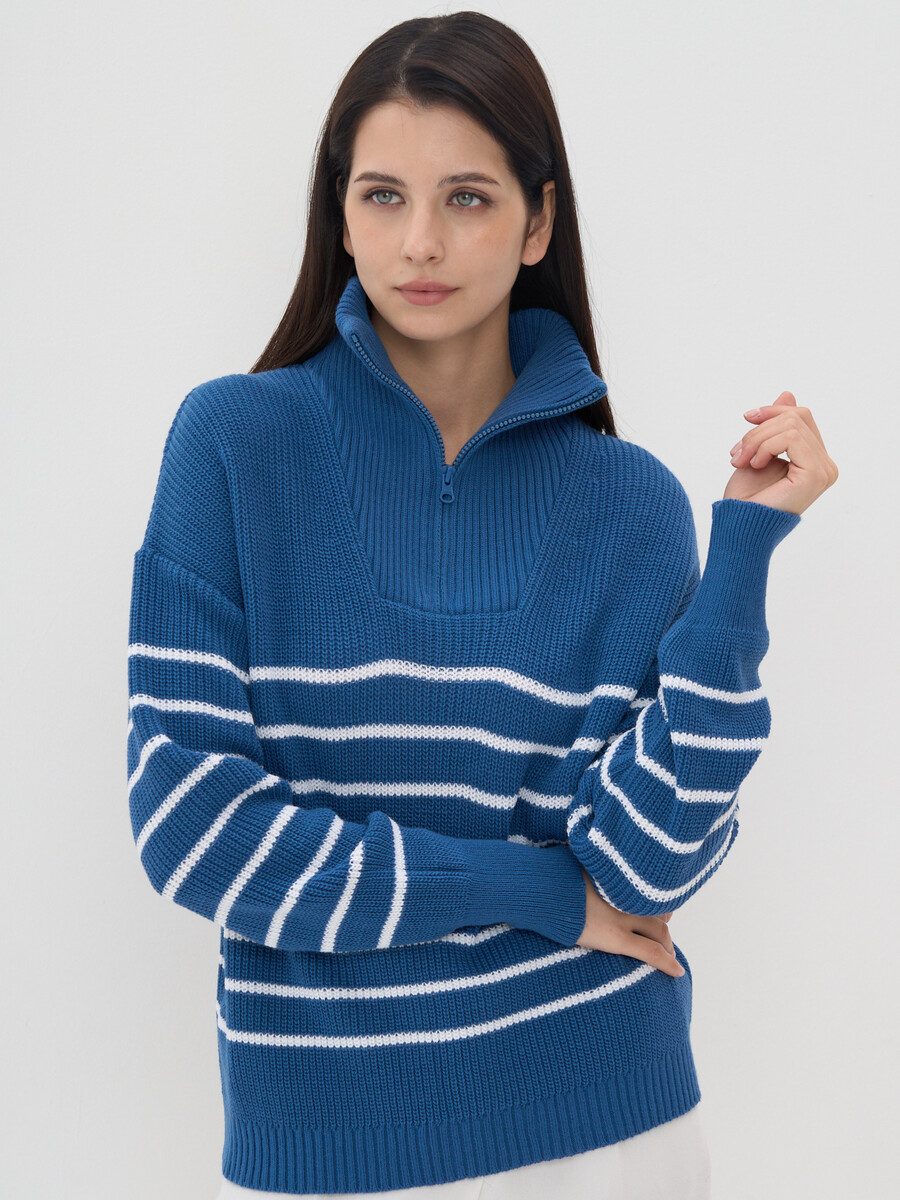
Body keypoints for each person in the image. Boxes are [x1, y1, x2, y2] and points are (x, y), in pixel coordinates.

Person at [125, 11, 838, 1200]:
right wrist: (530, 888)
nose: (420, 241)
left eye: (466, 197)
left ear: (537, 220)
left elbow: (646, 868)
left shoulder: (631, 505)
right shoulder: (234, 448)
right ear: (340, 214)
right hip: (331, 1145)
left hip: (608, 1131)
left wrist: (745, 555)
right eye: (382, 196)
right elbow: (192, 827)